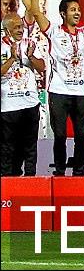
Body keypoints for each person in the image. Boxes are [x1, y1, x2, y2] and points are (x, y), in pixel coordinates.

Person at [14, 0, 84, 176]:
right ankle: (60, 172)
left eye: (78, 10)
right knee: (61, 135)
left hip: (81, 92)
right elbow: (36, 12)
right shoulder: (54, 30)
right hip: (59, 91)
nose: (77, 13)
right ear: (63, 14)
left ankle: (79, 172)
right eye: (72, 10)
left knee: (81, 135)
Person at [1, 11, 45, 176]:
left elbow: (42, 67)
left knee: (29, 146)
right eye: (16, 27)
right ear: (7, 30)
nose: (20, 30)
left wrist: (31, 57)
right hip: (8, 106)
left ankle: (30, 178)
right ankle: (7, 180)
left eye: (21, 26)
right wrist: (12, 59)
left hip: (30, 104)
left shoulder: (30, 43)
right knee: (7, 147)